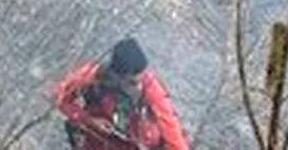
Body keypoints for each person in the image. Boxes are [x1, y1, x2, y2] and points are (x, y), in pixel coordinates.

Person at [54, 37, 190, 150]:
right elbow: (60, 98)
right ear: (118, 75)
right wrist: (89, 120)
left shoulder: (151, 87)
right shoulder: (93, 76)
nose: (139, 85)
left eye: (141, 77)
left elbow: (171, 128)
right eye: (132, 81)